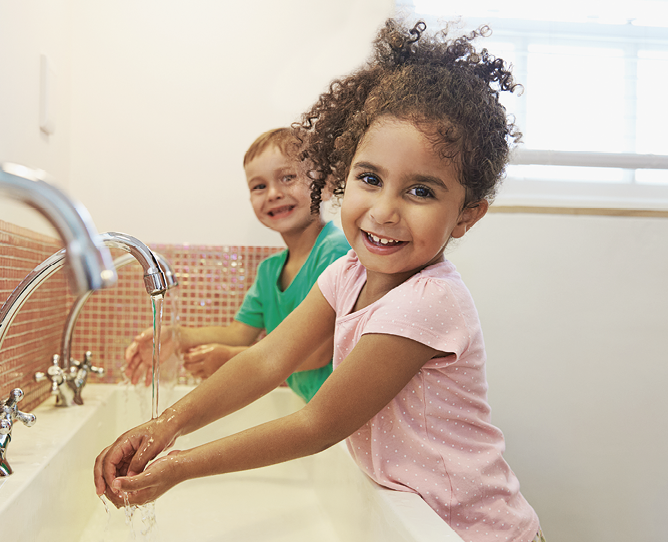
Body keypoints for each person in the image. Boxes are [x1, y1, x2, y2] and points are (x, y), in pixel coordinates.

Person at [96, 17, 544, 542]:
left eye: (420, 191)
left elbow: (319, 424)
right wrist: (165, 424)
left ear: (466, 215)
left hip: (476, 532)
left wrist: (180, 465)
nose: (384, 210)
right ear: (342, 175)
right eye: (370, 179)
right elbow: (267, 358)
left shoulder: (429, 302)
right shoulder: (347, 272)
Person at [124, 127, 351, 402]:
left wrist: (230, 359)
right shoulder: (269, 271)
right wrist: (176, 336)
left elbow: (317, 352)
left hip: (345, 413)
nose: (273, 193)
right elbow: (239, 333)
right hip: (316, 410)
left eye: (288, 177)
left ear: (325, 186)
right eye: (259, 186)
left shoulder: (336, 251)